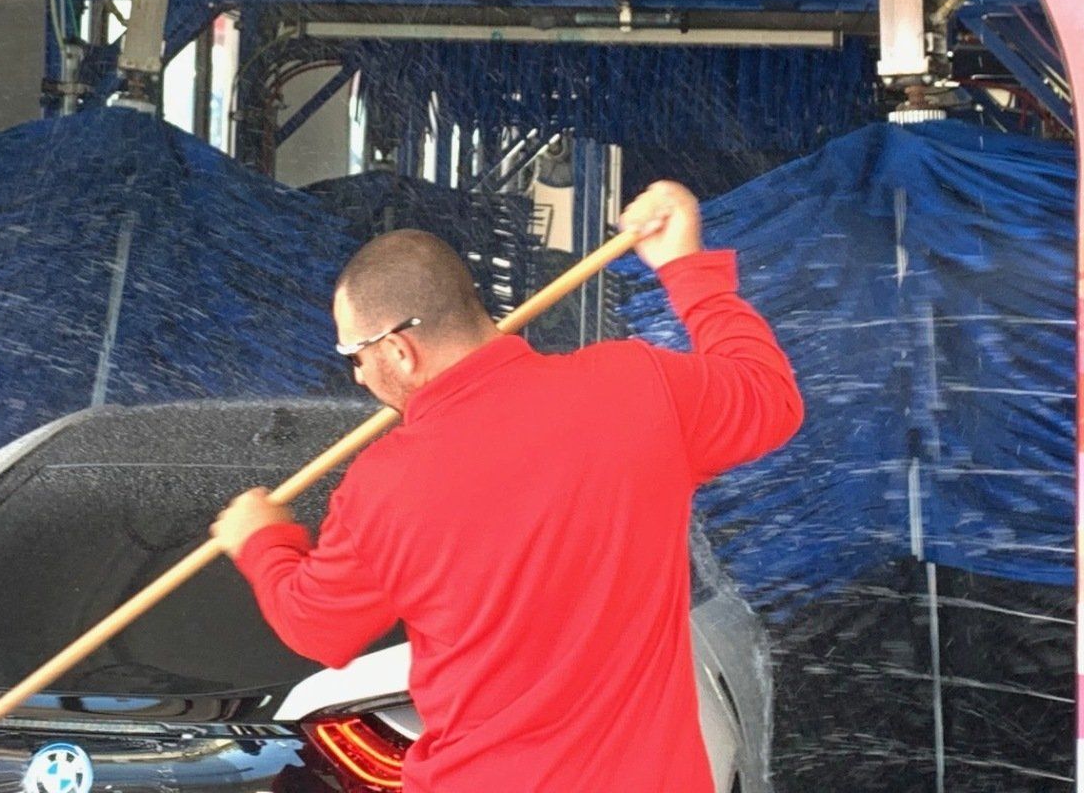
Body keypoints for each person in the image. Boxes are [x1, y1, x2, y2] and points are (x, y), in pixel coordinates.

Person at [211, 180, 803, 793]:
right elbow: (770, 395)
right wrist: (685, 268)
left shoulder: (382, 489)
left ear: (398, 349)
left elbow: (317, 628)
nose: (358, 377)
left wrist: (264, 542)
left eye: (353, 356)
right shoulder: (636, 390)